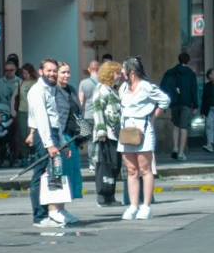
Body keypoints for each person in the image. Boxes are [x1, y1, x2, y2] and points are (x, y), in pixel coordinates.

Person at [118, 56, 171, 219]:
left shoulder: (146, 87)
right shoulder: (123, 87)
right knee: (131, 169)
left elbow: (165, 99)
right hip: (126, 130)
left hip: (143, 128)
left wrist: (154, 116)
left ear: (131, 71)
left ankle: (146, 206)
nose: (121, 72)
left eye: (123, 69)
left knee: (145, 168)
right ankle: (133, 206)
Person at [26, 57, 71, 233]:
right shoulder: (37, 91)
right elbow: (42, 120)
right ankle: (40, 216)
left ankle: (47, 214)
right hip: (43, 135)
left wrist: (62, 143)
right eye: (49, 70)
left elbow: (55, 120)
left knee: (51, 175)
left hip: (52, 133)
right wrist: (50, 145)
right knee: (39, 175)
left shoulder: (50, 89)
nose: (52, 73)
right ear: (41, 71)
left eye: (54, 70)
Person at [90, 60, 122, 206]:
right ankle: (104, 196)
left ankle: (110, 196)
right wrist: (101, 132)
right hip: (107, 134)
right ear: (109, 74)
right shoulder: (101, 89)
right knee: (107, 165)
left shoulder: (111, 89)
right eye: (117, 73)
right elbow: (98, 111)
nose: (120, 75)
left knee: (114, 165)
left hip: (114, 133)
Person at [161, 50, 198, 161]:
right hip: (186, 102)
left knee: (176, 125)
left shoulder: (171, 72)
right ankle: (181, 152)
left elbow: (164, 85)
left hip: (175, 102)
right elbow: (193, 90)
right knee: (184, 127)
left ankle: (175, 147)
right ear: (188, 61)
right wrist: (195, 105)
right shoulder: (191, 74)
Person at [55, 61, 85, 201]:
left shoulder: (71, 89)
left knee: (73, 169)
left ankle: (68, 199)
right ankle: (60, 203)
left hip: (73, 135)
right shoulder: (53, 90)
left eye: (68, 72)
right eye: (63, 72)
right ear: (56, 73)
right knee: (62, 170)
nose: (67, 75)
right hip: (61, 135)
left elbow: (77, 111)